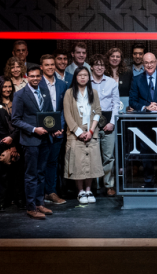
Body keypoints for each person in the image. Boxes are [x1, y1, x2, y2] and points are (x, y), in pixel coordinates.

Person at [12, 65, 56, 220]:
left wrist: (54, 128)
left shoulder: (45, 92)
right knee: (31, 175)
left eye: (38, 76)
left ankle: (39, 203)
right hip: (30, 140)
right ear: (26, 77)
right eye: (32, 76)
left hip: (45, 139)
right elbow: (15, 120)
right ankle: (31, 207)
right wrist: (33, 129)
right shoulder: (20, 95)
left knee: (41, 173)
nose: (35, 79)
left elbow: (50, 114)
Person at [63, 66, 103, 205]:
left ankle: (88, 189)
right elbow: (67, 115)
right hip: (75, 133)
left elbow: (98, 111)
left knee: (91, 162)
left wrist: (91, 131)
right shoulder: (69, 93)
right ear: (75, 77)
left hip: (91, 131)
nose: (83, 77)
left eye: (85, 75)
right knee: (78, 163)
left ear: (89, 77)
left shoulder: (94, 92)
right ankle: (80, 191)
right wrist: (79, 132)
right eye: (80, 75)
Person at [38, 54, 69, 205]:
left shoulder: (62, 84)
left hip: (58, 132)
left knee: (53, 163)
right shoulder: (37, 84)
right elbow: (36, 110)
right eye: (47, 65)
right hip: (42, 132)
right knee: (40, 163)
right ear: (41, 67)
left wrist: (60, 127)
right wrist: (48, 128)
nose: (50, 67)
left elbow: (64, 109)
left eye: (52, 65)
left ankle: (51, 192)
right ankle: (40, 194)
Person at [89, 56, 120, 198]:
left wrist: (112, 122)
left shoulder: (111, 82)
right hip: (91, 125)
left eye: (102, 65)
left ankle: (109, 185)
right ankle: (94, 186)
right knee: (92, 157)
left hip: (108, 124)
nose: (100, 67)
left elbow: (116, 104)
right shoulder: (86, 82)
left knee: (108, 157)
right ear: (91, 67)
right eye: (97, 65)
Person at [0, 79, 22, 212]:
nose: (7, 89)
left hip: (17, 141)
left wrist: (13, 141)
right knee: (3, 174)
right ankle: (2, 201)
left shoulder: (17, 101)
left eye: (9, 86)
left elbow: (20, 122)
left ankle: (18, 199)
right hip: (2, 142)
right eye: (4, 87)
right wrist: (8, 142)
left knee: (18, 173)